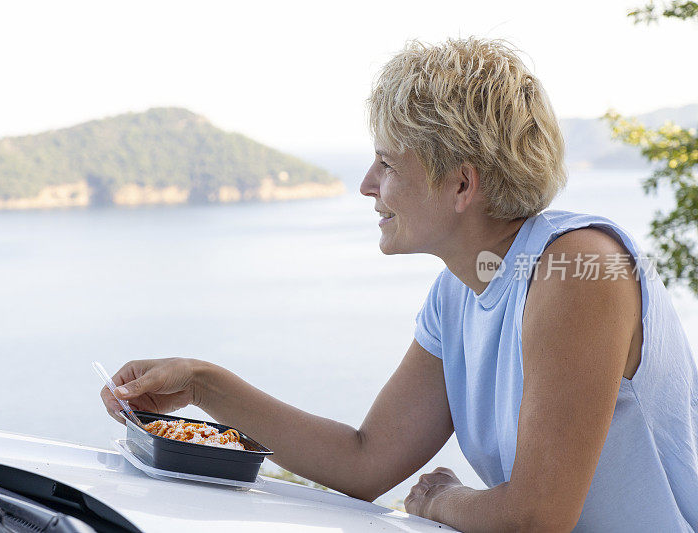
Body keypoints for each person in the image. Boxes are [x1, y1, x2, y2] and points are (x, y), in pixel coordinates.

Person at [101, 37, 698, 531]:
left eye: (387, 164)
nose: (367, 184)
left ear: (462, 184)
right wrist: (202, 383)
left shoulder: (579, 269)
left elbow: (537, 517)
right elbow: (365, 461)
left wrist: (442, 501)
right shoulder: (458, 291)